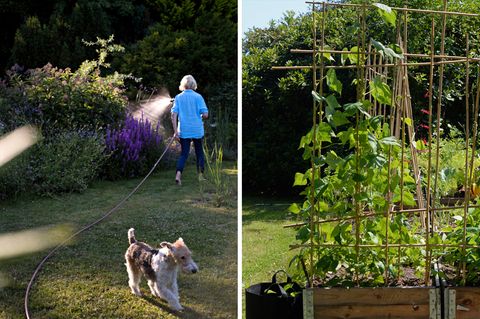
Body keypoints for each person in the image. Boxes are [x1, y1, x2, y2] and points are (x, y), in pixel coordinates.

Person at [171, 75, 209, 185]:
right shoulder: (198, 97)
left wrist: (175, 131)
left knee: (184, 154)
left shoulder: (178, 97)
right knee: (199, 153)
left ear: (183, 84)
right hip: (197, 129)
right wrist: (201, 116)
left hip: (184, 130)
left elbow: (173, 115)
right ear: (193, 84)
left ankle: (178, 175)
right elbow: (205, 114)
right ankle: (201, 176)